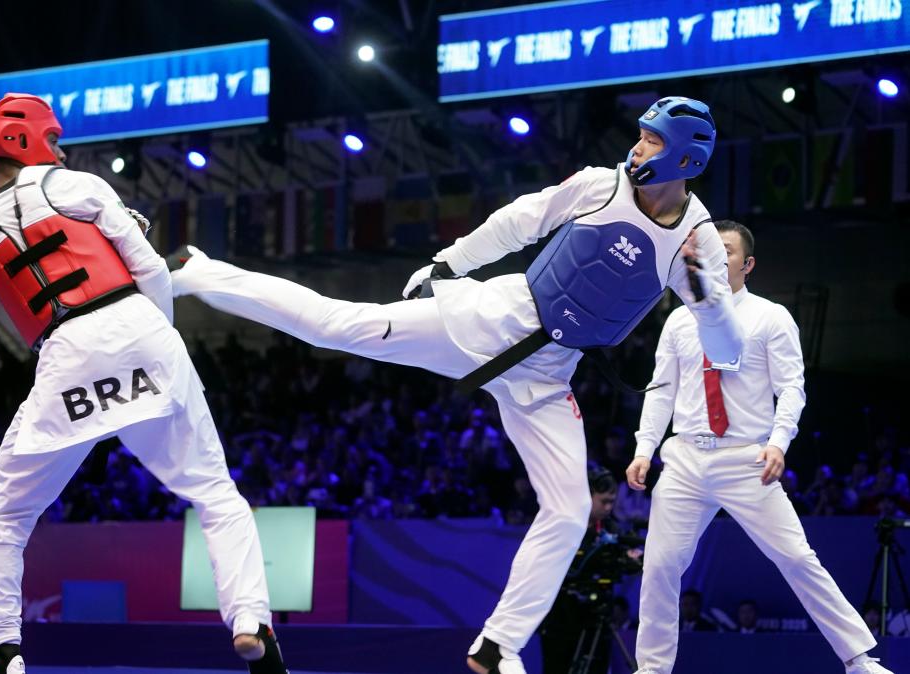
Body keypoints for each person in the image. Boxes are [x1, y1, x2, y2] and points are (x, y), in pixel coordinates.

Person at [172, 97, 743, 674]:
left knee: (570, 511)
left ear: (685, 160)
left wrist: (709, 301)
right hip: (492, 322)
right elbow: (518, 221)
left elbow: (725, 352)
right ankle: (199, 271)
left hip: (548, 377)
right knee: (337, 326)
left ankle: (498, 645)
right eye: (641, 135)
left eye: (653, 141)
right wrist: (448, 265)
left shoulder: (697, 245)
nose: (638, 148)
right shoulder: (601, 185)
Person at [0, 94, 286, 674]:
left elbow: (11, 281)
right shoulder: (79, 185)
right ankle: (250, 620)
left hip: (65, 354)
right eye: (53, 138)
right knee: (215, 494)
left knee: (3, 518)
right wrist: (159, 330)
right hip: (138, 327)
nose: (60, 151)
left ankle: (1, 652)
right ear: (23, 139)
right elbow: (151, 268)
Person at [626, 220, 890, 674]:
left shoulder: (771, 316)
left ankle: (859, 659)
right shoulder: (679, 318)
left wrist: (779, 443)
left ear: (747, 264)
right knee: (660, 565)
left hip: (746, 457)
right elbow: (661, 389)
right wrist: (644, 448)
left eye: (726, 250)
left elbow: (791, 389)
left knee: (796, 556)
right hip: (685, 457)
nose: (716, 255)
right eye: (709, 247)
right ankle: (651, 669)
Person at [538, 468, 641, 674]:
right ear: (586, 495)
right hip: (561, 616)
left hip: (598, 614)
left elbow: (625, 556)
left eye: (612, 502)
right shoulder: (559, 525)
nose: (609, 507)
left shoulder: (611, 528)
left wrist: (633, 557)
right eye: (604, 501)